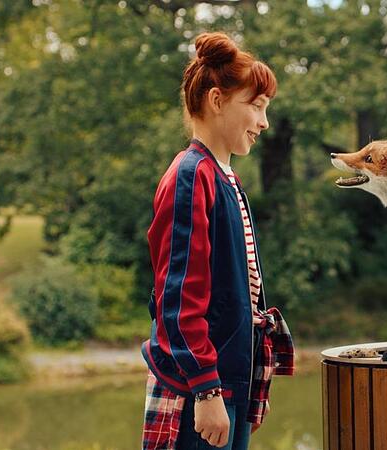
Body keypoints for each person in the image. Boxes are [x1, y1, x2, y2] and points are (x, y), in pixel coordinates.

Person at [141, 32, 294, 450]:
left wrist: (242, 380)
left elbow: (238, 293)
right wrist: (206, 390)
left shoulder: (225, 177)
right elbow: (178, 298)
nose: (264, 122)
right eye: (256, 106)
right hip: (199, 387)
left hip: (229, 380)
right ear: (216, 100)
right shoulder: (192, 175)